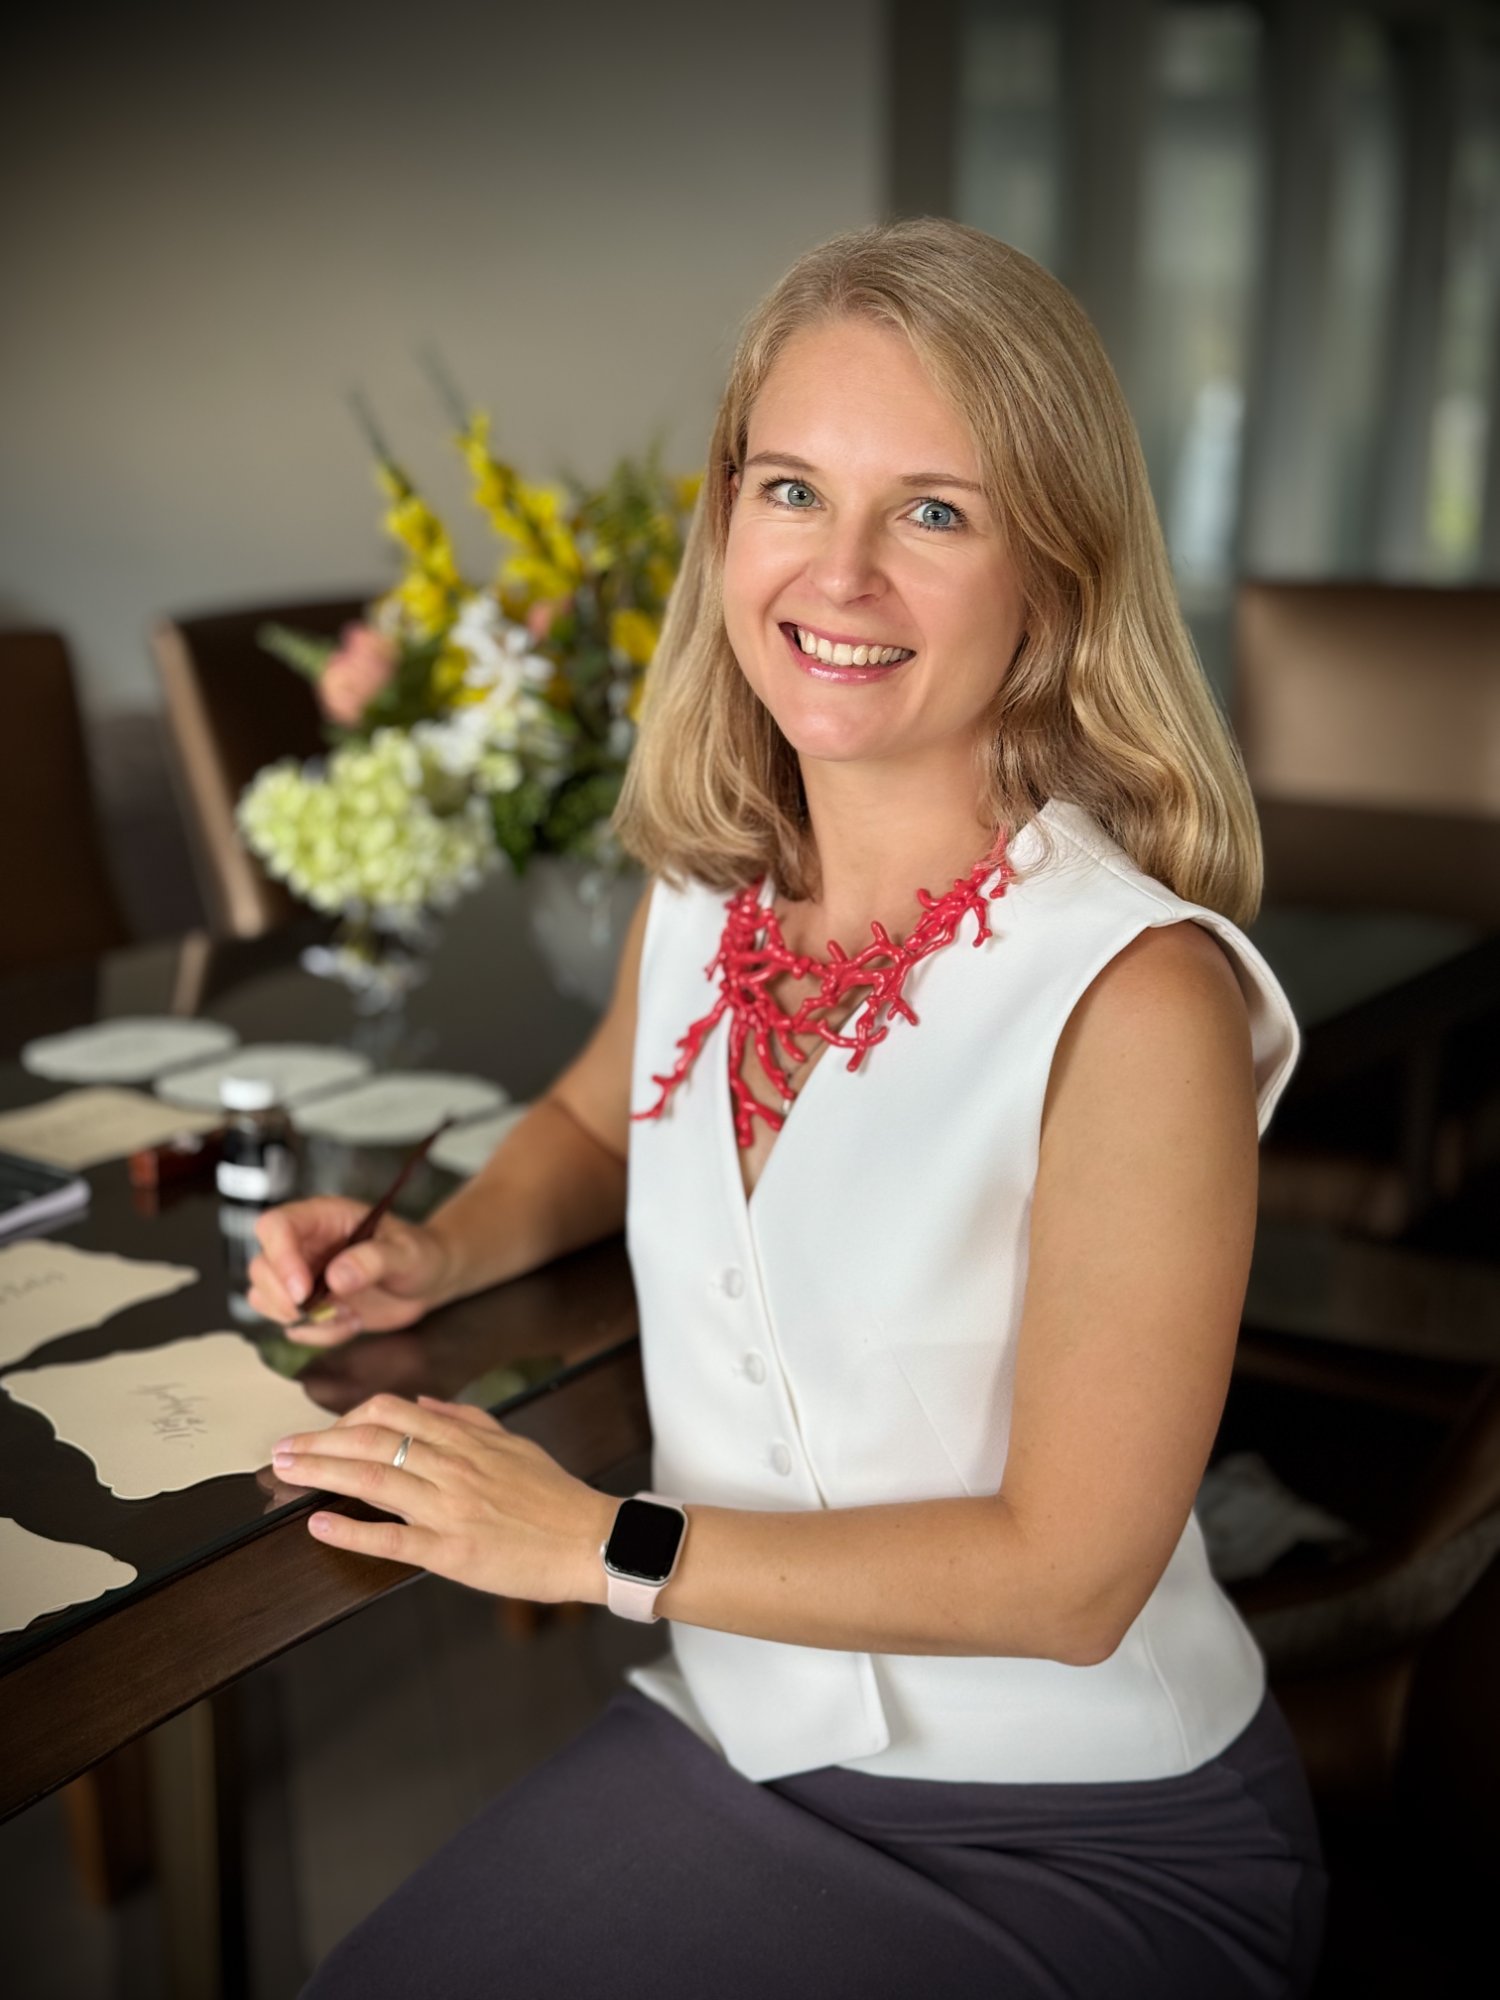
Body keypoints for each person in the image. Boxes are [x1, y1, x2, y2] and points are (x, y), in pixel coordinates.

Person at [251, 218, 1327, 1998]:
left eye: (933, 510)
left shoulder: (1141, 1001)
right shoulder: (712, 891)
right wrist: (435, 1247)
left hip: (1081, 1835)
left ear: (1052, 576)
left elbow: (1071, 1577)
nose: (839, 576)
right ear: (726, 524)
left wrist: (586, 1542)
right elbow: (601, 1123)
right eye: (791, 490)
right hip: (749, 1742)